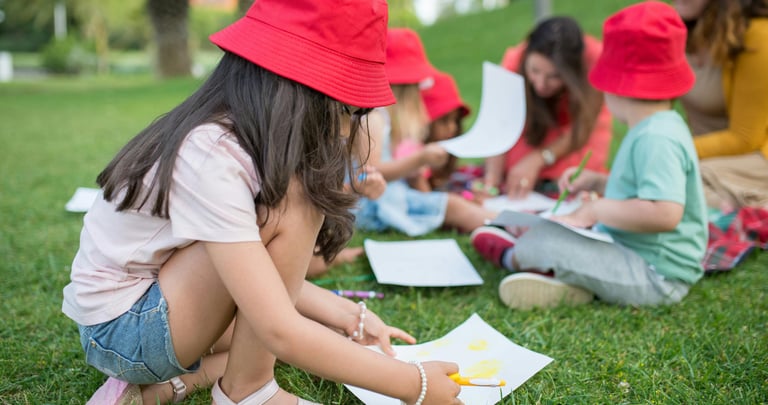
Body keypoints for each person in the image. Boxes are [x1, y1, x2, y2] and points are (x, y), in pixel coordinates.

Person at [62, 1, 464, 405]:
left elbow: (257, 277)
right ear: (303, 91)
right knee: (293, 235)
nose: (347, 125)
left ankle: (167, 388)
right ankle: (249, 391)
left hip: (155, 305)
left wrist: (348, 316)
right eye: (348, 105)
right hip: (125, 328)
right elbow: (277, 327)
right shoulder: (213, 153)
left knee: (296, 336)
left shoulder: (242, 138)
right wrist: (415, 384)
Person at [470, 1, 708, 309]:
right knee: (552, 229)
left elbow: (664, 213)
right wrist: (597, 182)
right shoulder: (654, 128)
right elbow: (642, 194)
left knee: (544, 241)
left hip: (656, 277)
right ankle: (571, 283)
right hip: (633, 254)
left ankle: (512, 256)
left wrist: (596, 211)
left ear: (618, 87)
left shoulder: (656, 137)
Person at [354, 28, 496, 237]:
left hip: (391, 197)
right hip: (373, 205)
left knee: (449, 204)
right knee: (452, 206)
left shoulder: (387, 121)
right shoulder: (373, 118)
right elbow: (370, 175)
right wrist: (419, 159)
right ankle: (505, 225)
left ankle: (498, 222)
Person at [480, 16, 612, 199]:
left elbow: (583, 128)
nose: (541, 84)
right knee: (515, 173)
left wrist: (538, 159)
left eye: (554, 76)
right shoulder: (513, 61)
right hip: (532, 130)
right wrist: (491, 182)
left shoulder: (595, 60)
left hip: (575, 136)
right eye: (534, 71)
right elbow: (499, 124)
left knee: (574, 180)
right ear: (526, 57)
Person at [673, 0, 768, 211]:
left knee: (684, 184)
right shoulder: (681, 27)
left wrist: (672, 149)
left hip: (757, 158)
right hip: (712, 159)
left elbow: (744, 137)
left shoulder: (758, 36)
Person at [414, 69, 471, 192]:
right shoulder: (413, 160)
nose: (453, 128)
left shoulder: (444, 160)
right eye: (444, 121)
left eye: (456, 120)